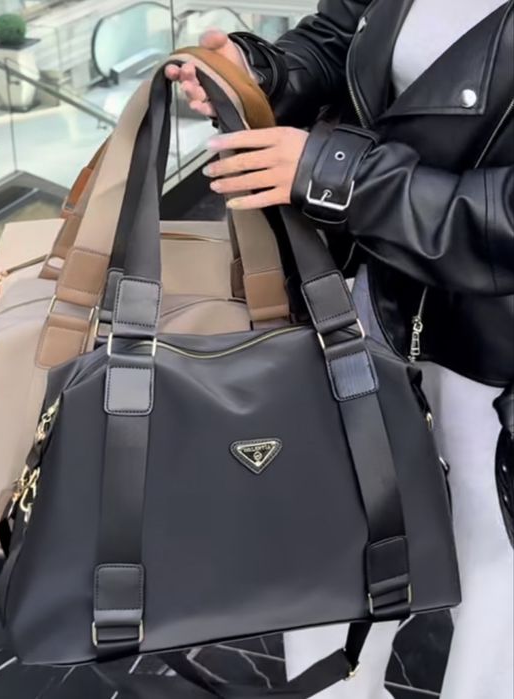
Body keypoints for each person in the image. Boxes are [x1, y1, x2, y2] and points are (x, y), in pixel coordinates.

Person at [166, 1, 514, 697]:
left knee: (493, 567)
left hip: (496, 349)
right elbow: (341, 35)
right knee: (339, 539)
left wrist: (343, 176)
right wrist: (261, 70)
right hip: (375, 303)